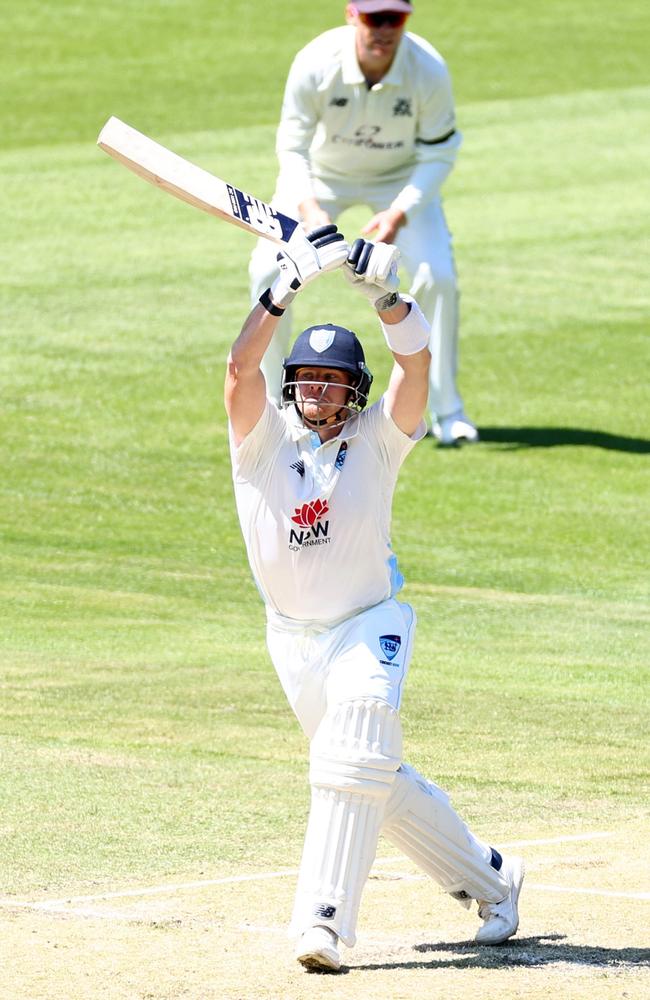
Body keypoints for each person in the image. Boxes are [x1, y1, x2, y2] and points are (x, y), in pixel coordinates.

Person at [225, 223, 524, 972]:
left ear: (354, 390)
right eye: (306, 378)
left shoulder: (380, 437)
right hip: (292, 639)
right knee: (370, 778)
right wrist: (280, 288)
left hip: (370, 623)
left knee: (354, 758)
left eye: (331, 380)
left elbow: (417, 363)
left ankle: (321, 925)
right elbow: (239, 367)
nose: (316, 389)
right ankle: (492, 877)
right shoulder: (261, 441)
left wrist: (388, 298)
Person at [248, 0, 478, 446]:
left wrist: (399, 212)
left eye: (396, 18)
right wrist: (312, 211)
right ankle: (273, 407)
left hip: (396, 183)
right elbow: (291, 148)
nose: (385, 29)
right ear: (352, 14)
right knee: (265, 271)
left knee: (439, 276)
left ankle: (447, 411)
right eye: (375, 18)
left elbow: (439, 152)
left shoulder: (427, 68)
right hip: (320, 180)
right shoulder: (315, 62)